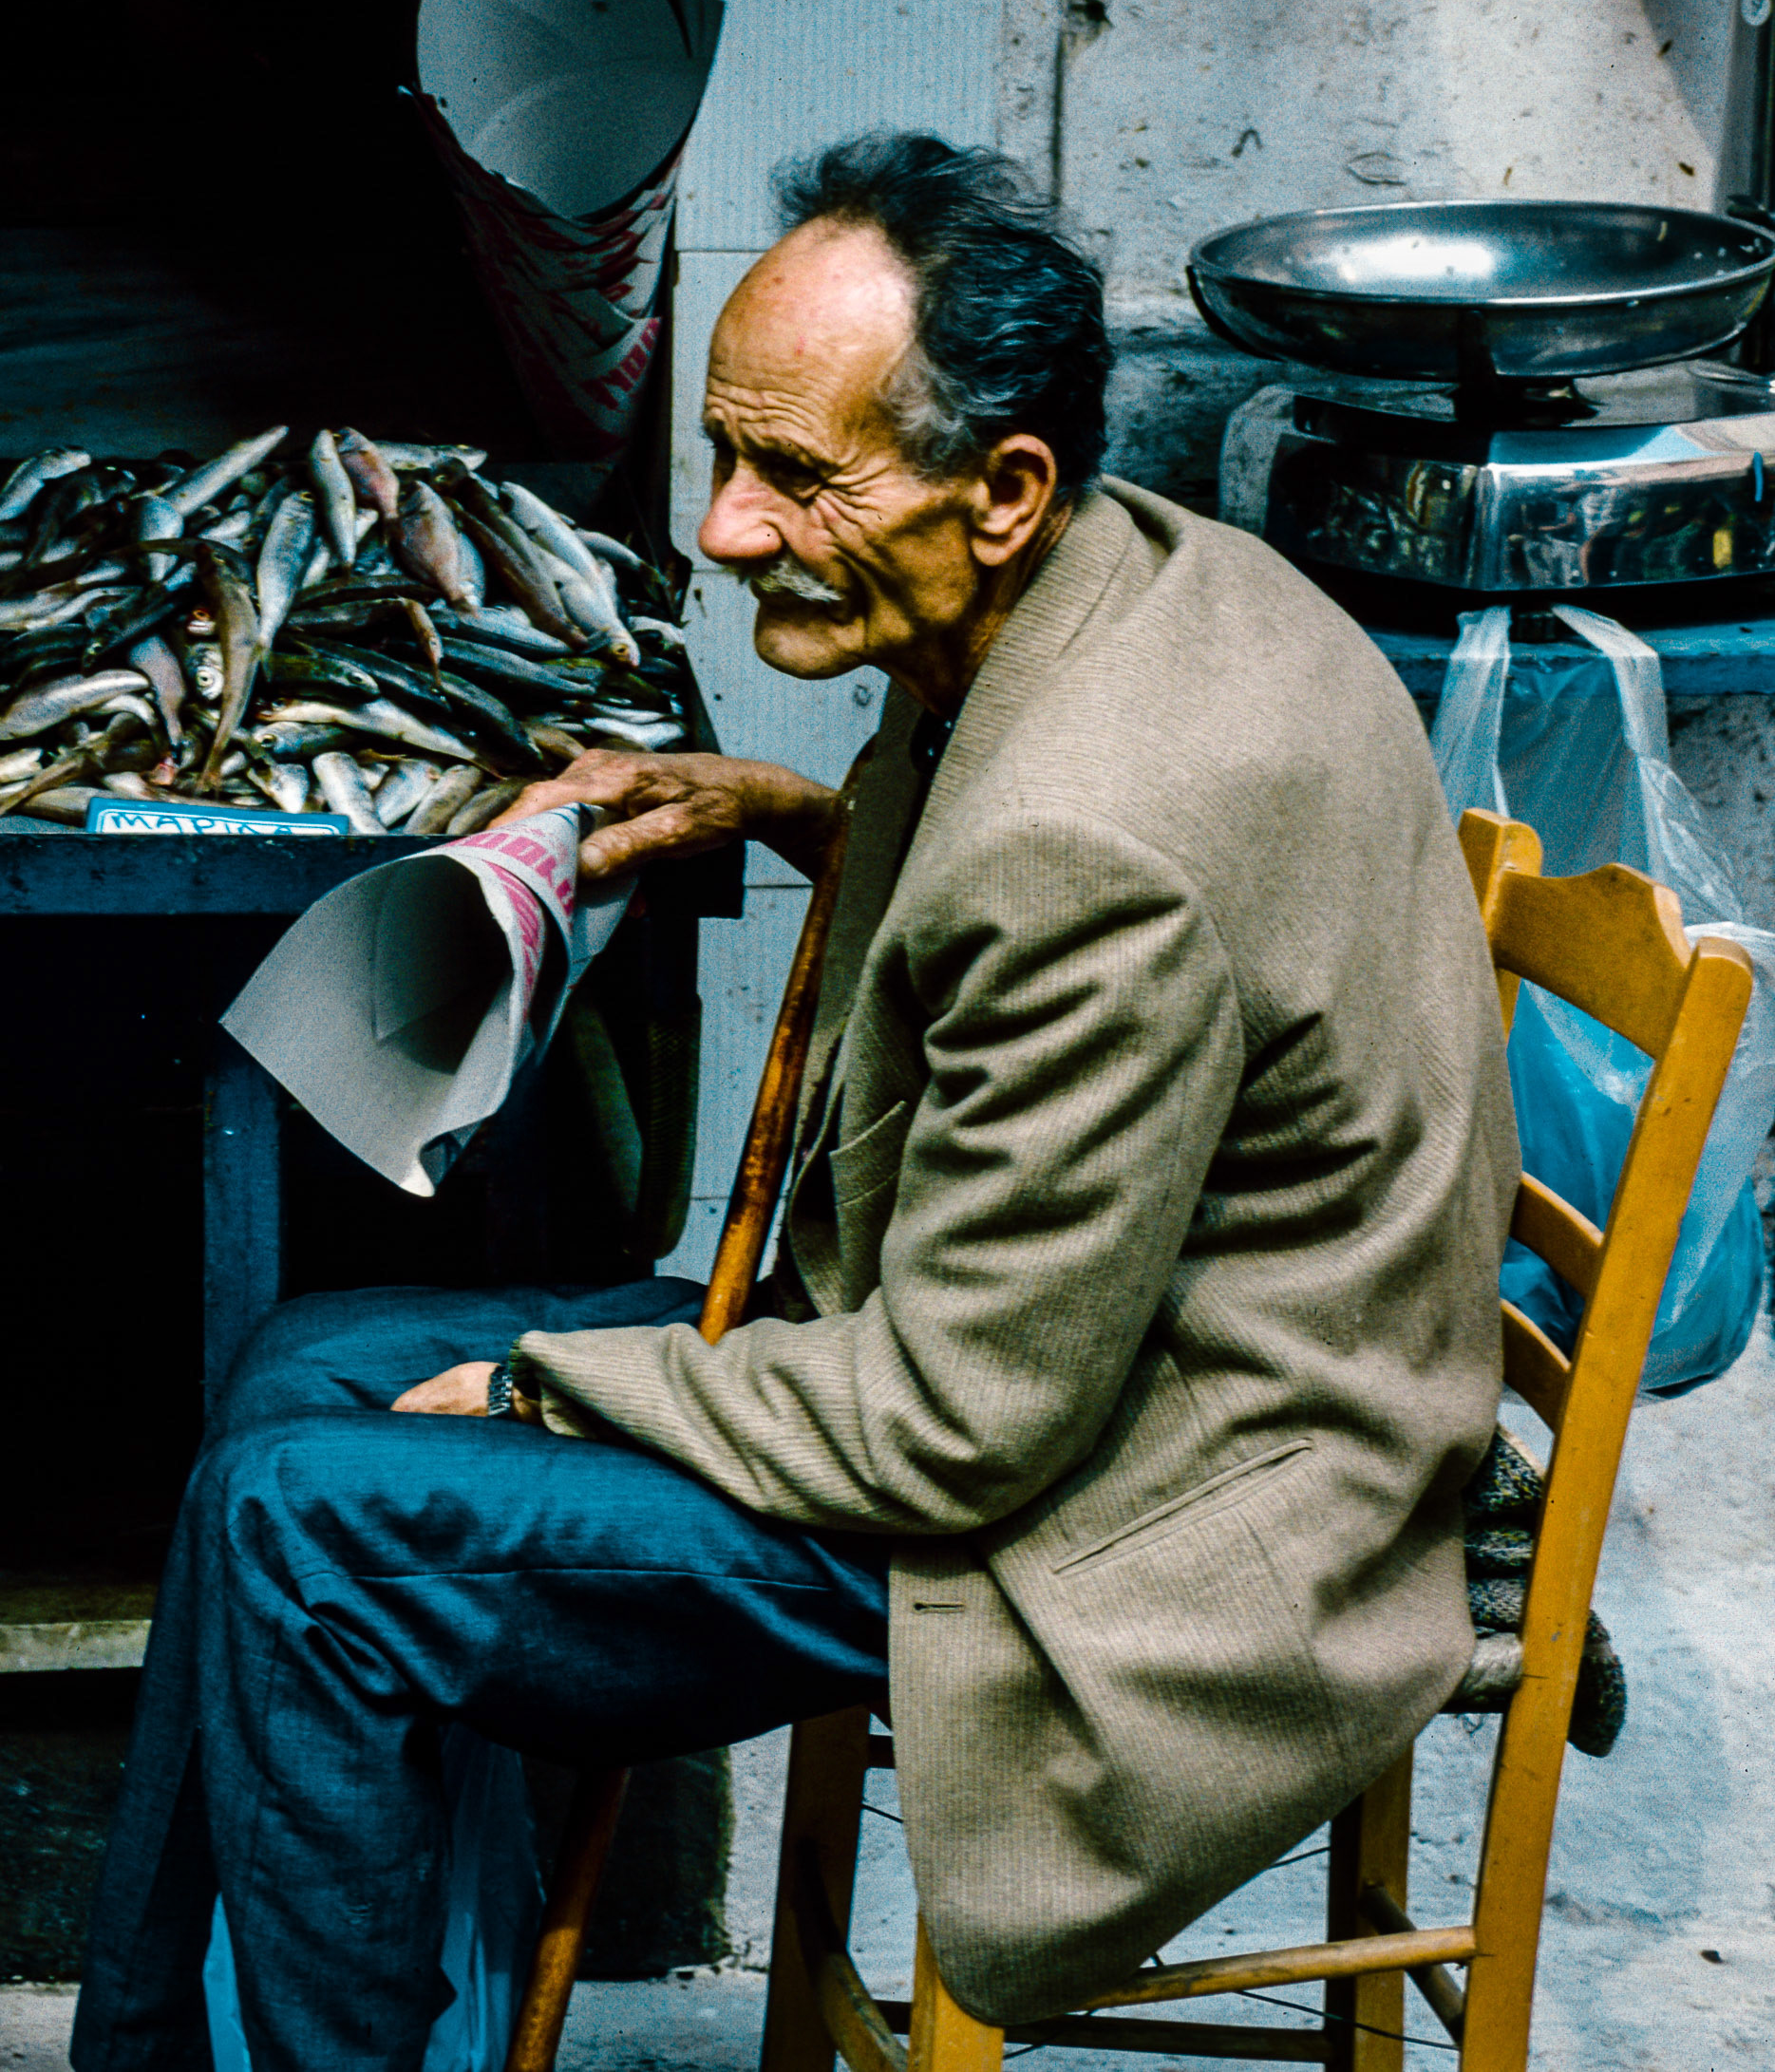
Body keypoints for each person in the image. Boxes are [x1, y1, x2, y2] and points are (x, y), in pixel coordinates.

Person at [73, 134, 1517, 2072]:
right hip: (1071, 1360)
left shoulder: (1087, 836)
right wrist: (812, 810)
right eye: (727, 458)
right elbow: (1071, 932)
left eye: (796, 477)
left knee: (296, 1523)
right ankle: (154, 2047)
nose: (730, 532)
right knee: (303, 1368)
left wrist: (539, 1383)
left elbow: (953, 1425)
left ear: (1001, 486)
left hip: (1128, 1491)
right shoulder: (1129, 578)